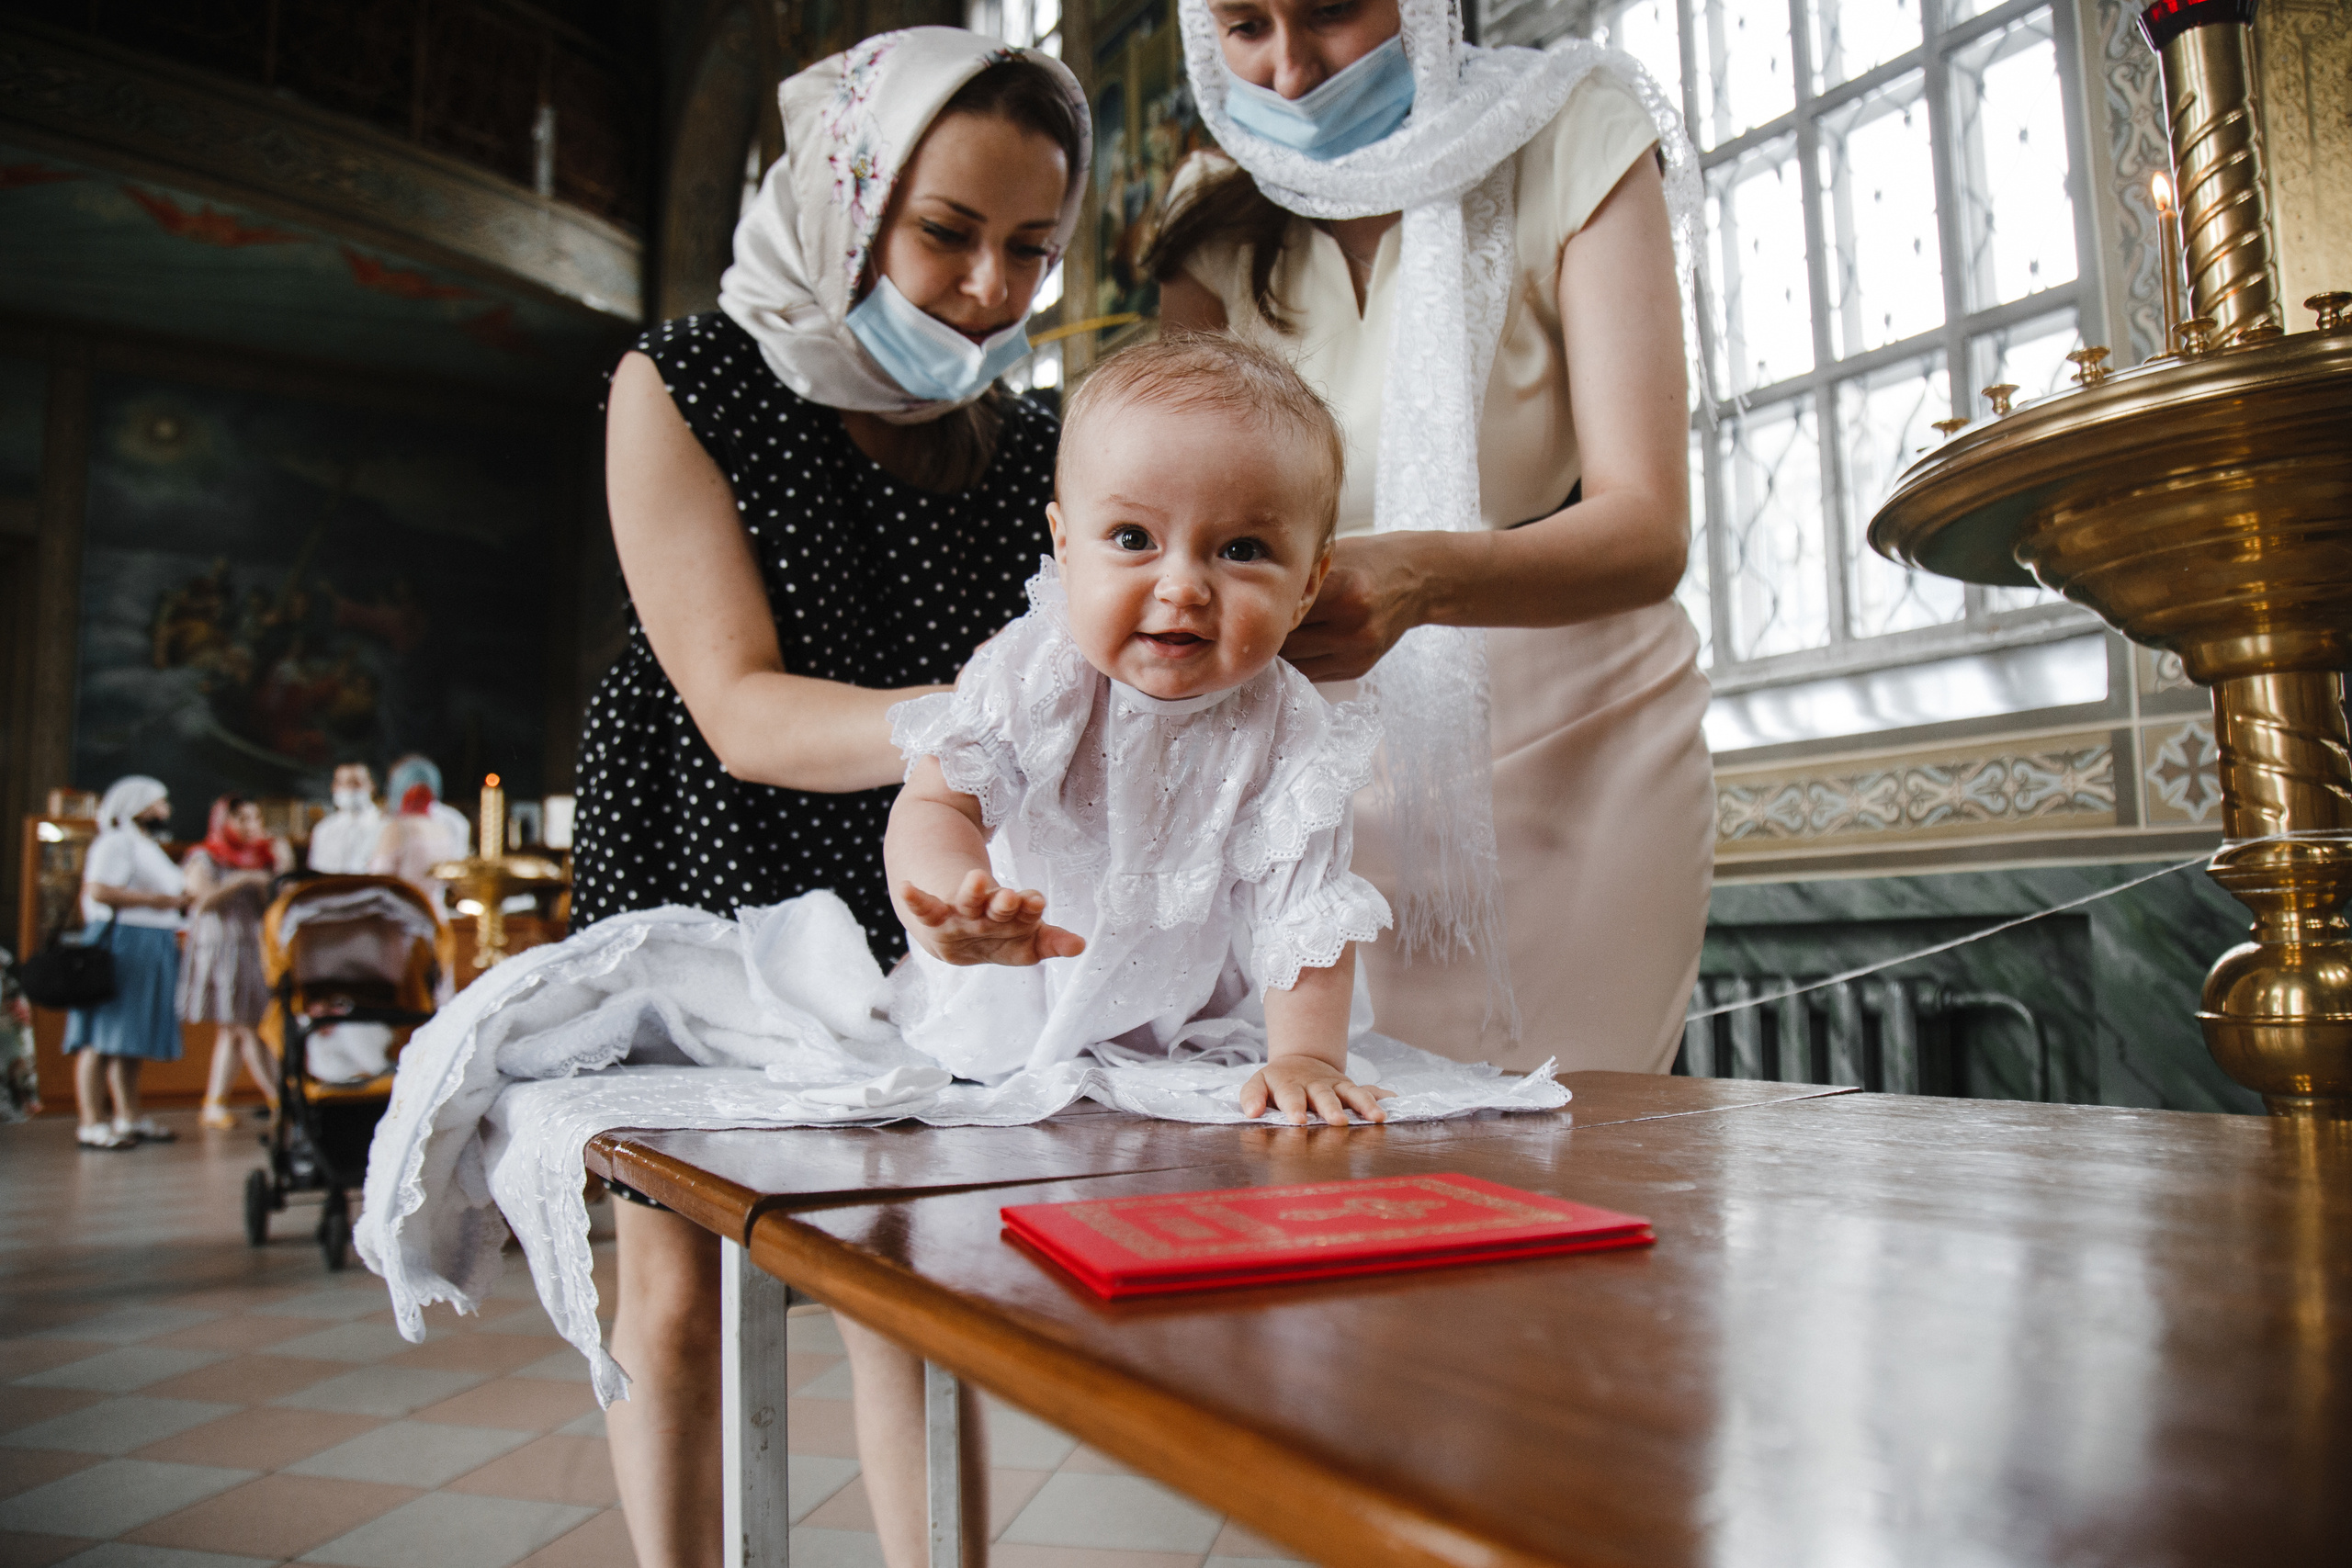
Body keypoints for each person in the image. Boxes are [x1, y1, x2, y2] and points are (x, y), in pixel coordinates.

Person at [573, 29, 1086, 1568]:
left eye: (1032, 250)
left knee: (909, 1274)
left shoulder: (1039, 440)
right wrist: (974, 722)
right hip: (706, 851)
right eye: (948, 233)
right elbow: (735, 705)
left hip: (917, 866)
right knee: (677, 1283)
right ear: (848, 200)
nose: (991, 290)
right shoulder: (684, 384)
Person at [1149, 0, 1713, 1075]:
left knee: (1566, 1138)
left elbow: (1649, 528)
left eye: (1329, 11)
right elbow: (1183, 502)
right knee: (1333, 1147)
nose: (1289, 67)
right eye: (1243, 26)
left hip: (1579, 730)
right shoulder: (1214, 204)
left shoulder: (1570, 123)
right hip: (1303, 750)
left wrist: (1415, 577)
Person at [886, 333, 1396, 1126]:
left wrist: (1305, 1056)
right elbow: (940, 802)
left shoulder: (1292, 728)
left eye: (1243, 549)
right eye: (1133, 539)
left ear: (1308, 585)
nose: (1184, 585)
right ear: (1063, 547)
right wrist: (955, 897)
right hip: (1022, 987)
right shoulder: (1039, 672)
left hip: (1192, 1020)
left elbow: (1306, 913)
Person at [66, 776, 193, 1149]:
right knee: (101, 1036)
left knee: (128, 1038)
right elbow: (99, 890)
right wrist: (157, 902)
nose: (165, 811)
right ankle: (91, 1122)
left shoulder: (144, 844)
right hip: (123, 944)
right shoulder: (115, 842)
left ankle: (128, 1116)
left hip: (151, 943)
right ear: (139, 806)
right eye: (159, 803)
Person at [182, 795, 292, 1130]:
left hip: (255, 947)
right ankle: (283, 1101)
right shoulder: (204, 855)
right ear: (224, 820)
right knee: (248, 1027)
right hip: (221, 947)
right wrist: (243, 879)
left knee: (232, 1030)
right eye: (241, 818)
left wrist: (280, 868)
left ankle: (214, 1104)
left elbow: (279, 901)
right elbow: (201, 899)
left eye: (255, 818)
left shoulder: (265, 856)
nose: (250, 826)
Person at [370, 755, 468, 916]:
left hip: (402, 919)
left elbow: (379, 881)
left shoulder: (397, 828)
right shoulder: (442, 828)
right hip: (435, 916)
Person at [308, 761, 386, 874]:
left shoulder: (385, 826)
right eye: (343, 783)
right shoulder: (323, 830)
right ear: (334, 787)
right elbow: (315, 873)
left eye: (356, 783)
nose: (350, 789)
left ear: (372, 785)